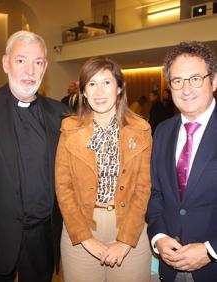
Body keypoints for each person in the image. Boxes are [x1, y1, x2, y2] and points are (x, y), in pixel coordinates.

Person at [55, 56, 152, 282]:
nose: (99, 91)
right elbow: (63, 186)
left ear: (119, 88)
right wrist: (85, 238)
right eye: (92, 84)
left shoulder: (141, 129)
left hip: (130, 228)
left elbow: (143, 187)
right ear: (83, 93)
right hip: (80, 230)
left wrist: (126, 240)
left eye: (106, 82)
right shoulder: (69, 128)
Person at [0, 30, 69, 282]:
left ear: (45, 67)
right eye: (21, 60)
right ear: (6, 63)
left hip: (43, 236)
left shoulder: (62, 115)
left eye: (38, 62)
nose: (30, 71)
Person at [146, 41, 217, 282]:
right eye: (177, 81)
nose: (186, 89)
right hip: (171, 267)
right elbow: (155, 193)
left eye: (195, 78)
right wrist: (159, 237)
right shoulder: (163, 131)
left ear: (214, 81)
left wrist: (210, 250)